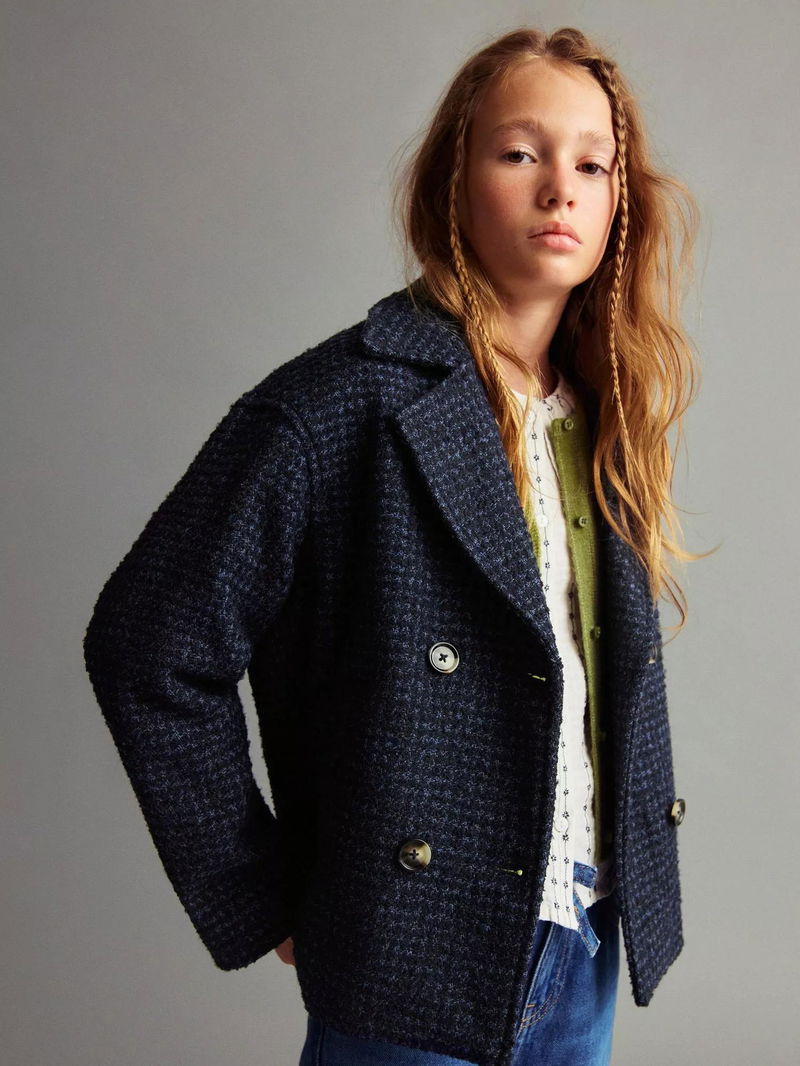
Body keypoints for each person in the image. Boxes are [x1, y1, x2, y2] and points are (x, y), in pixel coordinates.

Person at [83, 24, 706, 1066]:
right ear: (453, 181)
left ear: (619, 204)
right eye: (520, 152)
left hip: (584, 932)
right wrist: (255, 890)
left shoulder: (603, 416)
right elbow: (149, 642)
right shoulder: (338, 403)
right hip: (411, 949)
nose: (559, 187)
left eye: (592, 164)